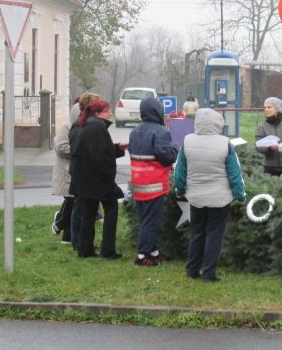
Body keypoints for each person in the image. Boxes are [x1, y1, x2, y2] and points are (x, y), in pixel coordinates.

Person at [174, 108, 245, 281]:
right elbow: (234, 173)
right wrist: (240, 194)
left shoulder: (187, 141)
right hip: (220, 198)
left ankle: (192, 270)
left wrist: (180, 190)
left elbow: (180, 170)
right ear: (218, 123)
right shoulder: (225, 143)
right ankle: (208, 273)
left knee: (196, 232)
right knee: (214, 234)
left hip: (195, 197)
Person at [69, 99, 127, 259]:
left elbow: (89, 150)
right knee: (111, 210)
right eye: (107, 110)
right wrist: (109, 180)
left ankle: (84, 249)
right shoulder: (98, 127)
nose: (110, 113)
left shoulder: (79, 125)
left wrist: (117, 148)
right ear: (97, 113)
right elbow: (100, 155)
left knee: (88, 213)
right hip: (98, 179)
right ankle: (108, 250)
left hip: (82, 178)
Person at [128, 97, 178, 266]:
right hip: (154, 183)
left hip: (138, 181)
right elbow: (167, 157)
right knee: (152, 221)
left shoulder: (134, 131)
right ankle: (143, 255)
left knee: (145, 218)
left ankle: (153, 251)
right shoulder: (160, 132)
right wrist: (175, 148)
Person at [68, 92, 100, 252]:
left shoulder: (78, 124)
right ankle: (79, 242)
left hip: (78, 170)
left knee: (79, 207)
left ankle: (78, 241)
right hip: (84, 171)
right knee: (82, 209)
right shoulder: (86, 125)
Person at [50, 101, 81, 244]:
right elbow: (61, 147)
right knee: (71, 201)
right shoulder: (66, 128)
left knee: (73, 202)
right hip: (65, 171)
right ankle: (59, 223)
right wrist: (80, 151)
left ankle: (67, 237)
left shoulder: (82, 128)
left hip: (75, 171)